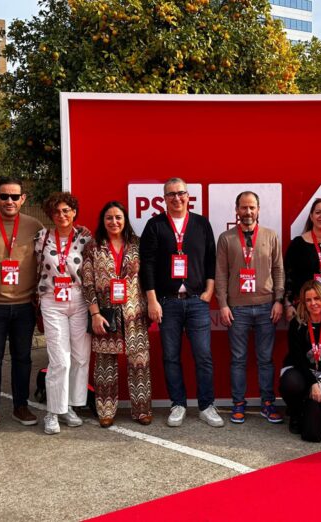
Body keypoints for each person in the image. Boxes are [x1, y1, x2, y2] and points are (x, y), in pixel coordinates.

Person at [139, 177, 223, 428]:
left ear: (188, 196)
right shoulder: (154, 225)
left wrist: (209, 291)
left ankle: (207, 405)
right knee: (171, 356)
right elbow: (148, 265)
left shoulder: (200, 223)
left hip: (197, 301)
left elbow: (211, 259)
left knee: (203, 356)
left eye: (181, 193)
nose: (176, 198)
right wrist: (152, 300)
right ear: (164, 199)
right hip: (167, 302)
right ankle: (178, 404)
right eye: (171, 194)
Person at [0, 177, 43, 432]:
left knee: (23, 359)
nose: (10, 201)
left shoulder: (34, 226)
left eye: (15, 197)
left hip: (25, 305)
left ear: (23, 199)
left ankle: (20, 406)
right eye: (4, 196)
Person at [215, 191, 284, 424]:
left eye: (252, 207)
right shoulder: (226, 238)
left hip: (267, 306)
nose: (248, 212)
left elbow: (278, 271)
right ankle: (238, 403)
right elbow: (221, 274)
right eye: (243, 208)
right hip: (237, 309)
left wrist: (279, 300)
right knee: (238, 359)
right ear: (236, 210)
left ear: (258, 209)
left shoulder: (271, 236)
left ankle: (267, 403)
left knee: (265, 359)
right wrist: (223, 305)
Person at [83, 201, 152, 427]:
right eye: (109, 218)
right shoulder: (93, 247)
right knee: (105, 364)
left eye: (118, 217)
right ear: (103, 221)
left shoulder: (137, 245)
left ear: (125, 220)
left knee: (139, 363)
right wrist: (94, 313)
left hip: (134, 313)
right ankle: (106, 411)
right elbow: (88, 282)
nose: (114, 222)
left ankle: (142, 411)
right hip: (105, 313)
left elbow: (147, 278)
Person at [34, 192, 91, 435]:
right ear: (51, 214)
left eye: (66, 210)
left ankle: (68, 406)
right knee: (60, 359)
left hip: (79, 299)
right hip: (51, 299)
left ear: (74, 212)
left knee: (80, 357)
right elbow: (33, 267)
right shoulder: (42, 237)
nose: (61, 215)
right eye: (57, 211)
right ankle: (52, 413)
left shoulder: (85, 238)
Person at [280, 280, 321, 442]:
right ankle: (295, 413)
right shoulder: (298, 323)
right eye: (308, 300)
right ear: (303, 302)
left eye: (317, 298)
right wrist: (312, 383)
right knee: (291, 383)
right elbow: (298, 358)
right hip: (301, 373)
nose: (313, 303)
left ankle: (316, 412)